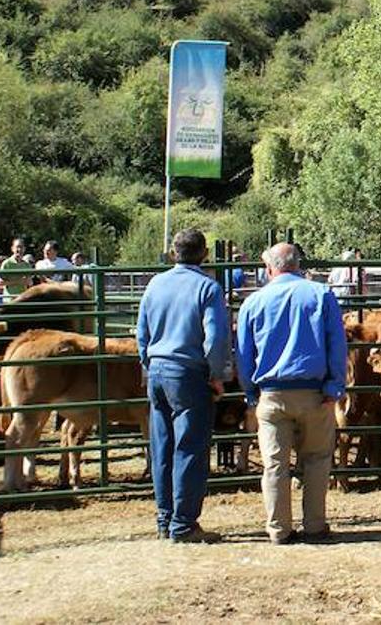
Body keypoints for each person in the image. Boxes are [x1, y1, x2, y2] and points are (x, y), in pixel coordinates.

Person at [236, 242, 348, 545]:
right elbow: (337, 344)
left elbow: (244, 355)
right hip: (315, 393)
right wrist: (335, 386)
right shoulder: (321, 294)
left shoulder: (253, 302)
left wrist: (250, 393)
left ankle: (278, 529)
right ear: (298, 265)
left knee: (274, 464)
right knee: (316, 459)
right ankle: (314, 526)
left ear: (270, 268)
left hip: (271, 395)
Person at [135, 228, 230, 543]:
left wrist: (148, 365)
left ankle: (165, 519)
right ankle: (184, 524)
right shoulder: (208, 287)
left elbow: (142, 332)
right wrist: (217, 375)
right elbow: (215, 337)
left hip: (157, 370)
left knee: (162, 446)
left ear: (173, 253)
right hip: (188, 372)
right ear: (204, 254)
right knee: (189, 447)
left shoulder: (155, 284)